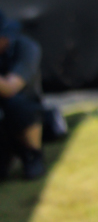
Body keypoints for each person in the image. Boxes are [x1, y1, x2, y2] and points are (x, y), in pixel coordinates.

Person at [0, 9, 43, 180]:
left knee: (18, 105)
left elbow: (10, 88)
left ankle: (32, 154)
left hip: (24, 111)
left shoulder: (27, 48)